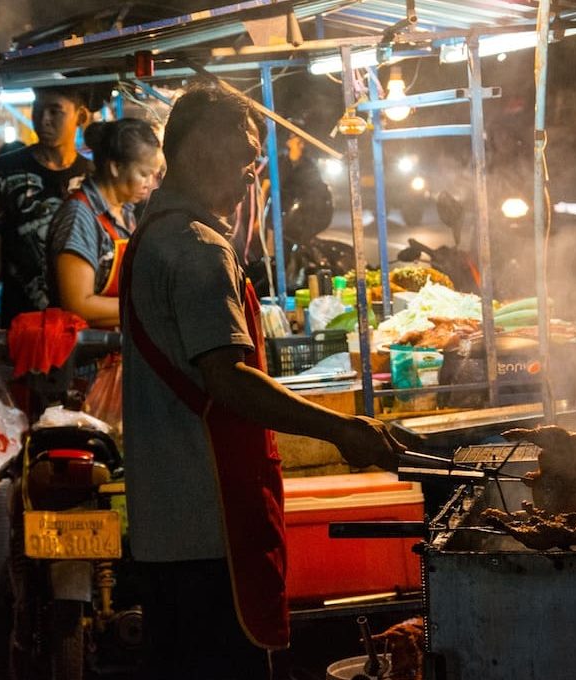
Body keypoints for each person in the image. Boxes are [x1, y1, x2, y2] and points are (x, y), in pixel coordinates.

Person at [120, 83, 404, 679]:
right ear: (200, 152)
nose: (253, 179)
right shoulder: (197, 249)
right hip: (209, 525)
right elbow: (231, 381)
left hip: (167, 527)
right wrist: (343, 429)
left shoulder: (152, 235)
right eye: (247, 160)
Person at [0, 86, 91, 329]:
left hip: (84, 330)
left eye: (55, 111)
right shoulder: (1, 174)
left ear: (81, 116)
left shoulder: (94, 177)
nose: (43, 119)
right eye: (38, 109)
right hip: (24, 328)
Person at [45, 118, 162, 328]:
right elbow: (77, 305)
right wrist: (148, 308)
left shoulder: (125, 212)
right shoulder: (79, 216)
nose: (150, 184)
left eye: (154, 175)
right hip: (85, 355)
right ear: (116, 167)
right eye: (144, 174)